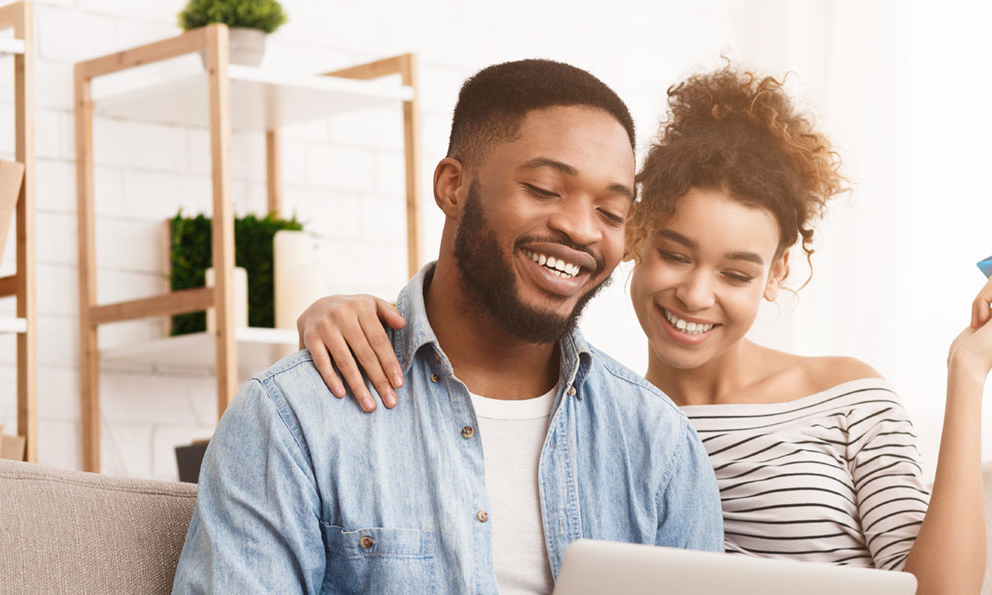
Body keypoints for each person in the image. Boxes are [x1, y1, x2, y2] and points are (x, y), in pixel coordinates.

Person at [300, 66, 992, 595]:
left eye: (737, 274)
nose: (697, 294)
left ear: (775, 276)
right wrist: (339, 308)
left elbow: (940, 591)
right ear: (637, 236)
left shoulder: (844, 395)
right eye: (676, 254)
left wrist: (968, 373)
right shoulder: (607, 425)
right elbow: (478, 297)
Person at [172, 59, 724, 595]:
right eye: (545, 189)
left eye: (611, 212)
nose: (581, 229)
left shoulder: (660, 443)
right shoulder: (295, 418)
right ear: (452, 187)